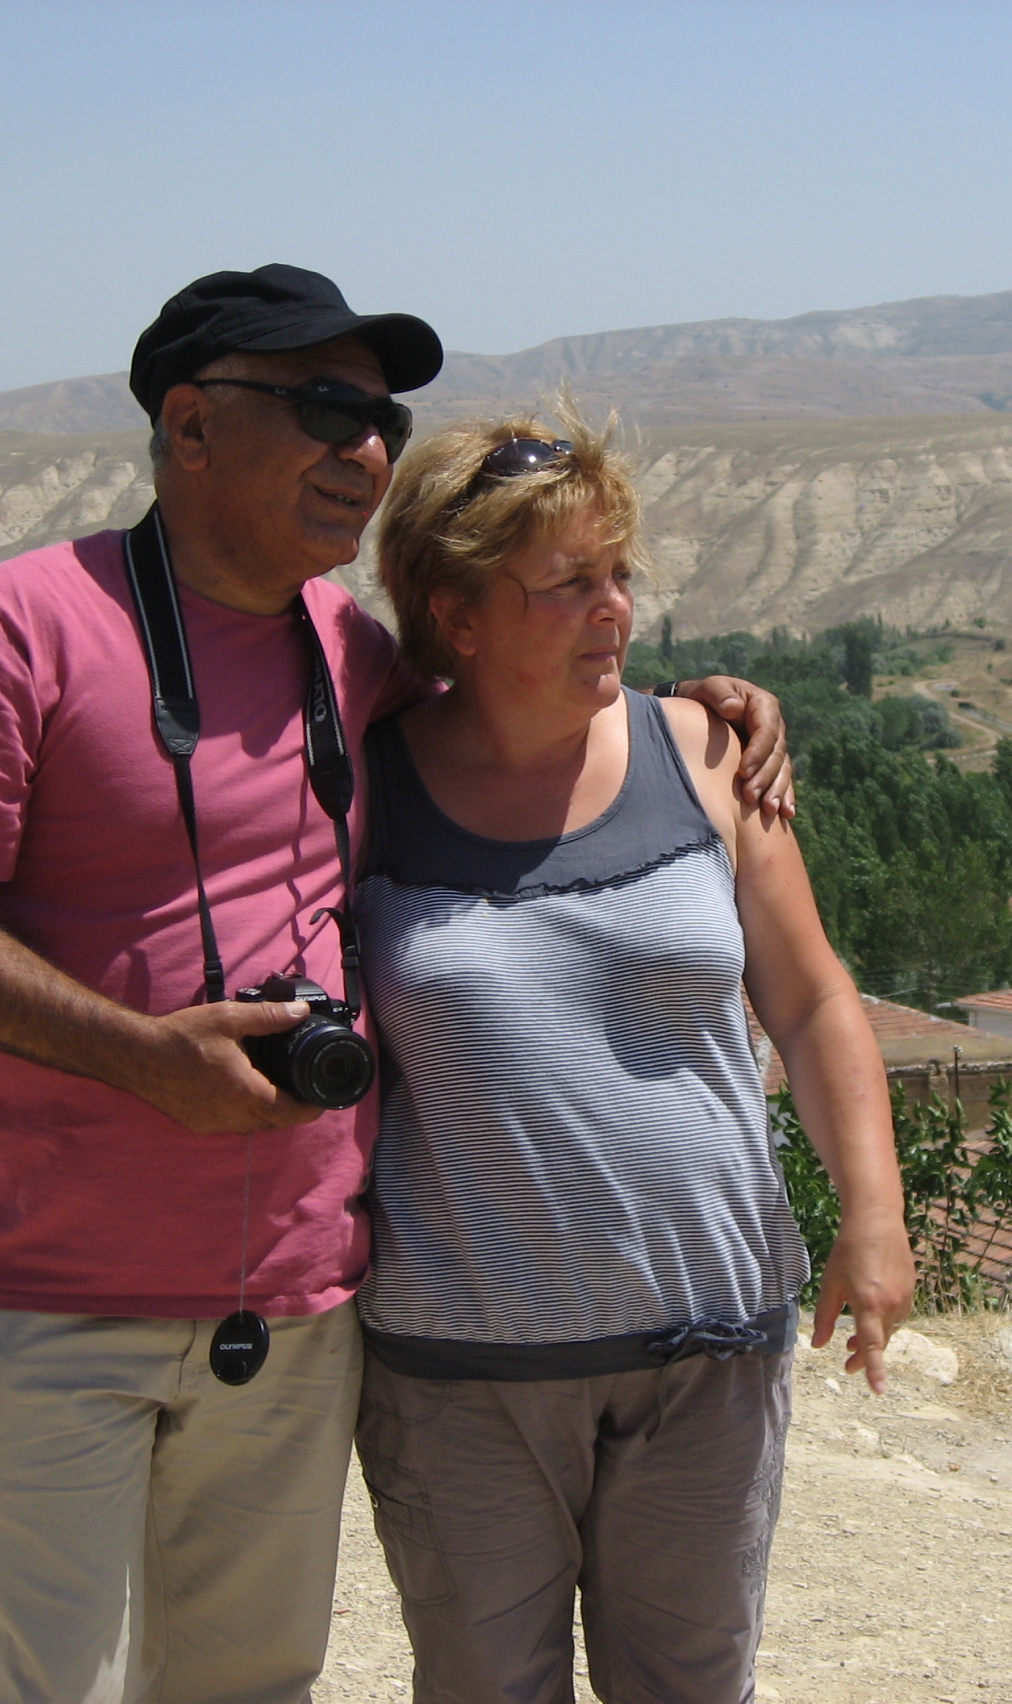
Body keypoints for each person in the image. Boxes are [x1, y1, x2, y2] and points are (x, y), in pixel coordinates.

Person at [0, 266, 793, 1704]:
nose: (367, 449)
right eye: (328, 408)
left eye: (383, 421)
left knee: (250, 1685)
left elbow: (530, 710)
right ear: (191, 425)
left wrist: (697, 710)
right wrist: (140, 1055)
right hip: (54, 1289)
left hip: (294, 1301)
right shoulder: (17, 625)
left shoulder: (354, 656)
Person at [350, 402, 915, 1704]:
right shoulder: (365, 790)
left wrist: (874, 1217)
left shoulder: (706, 754)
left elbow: (814, 1001)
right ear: (456, 614)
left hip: (707, 1350)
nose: (614, 609)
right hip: (461, 1373)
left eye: (619, 574)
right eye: (568, 584)